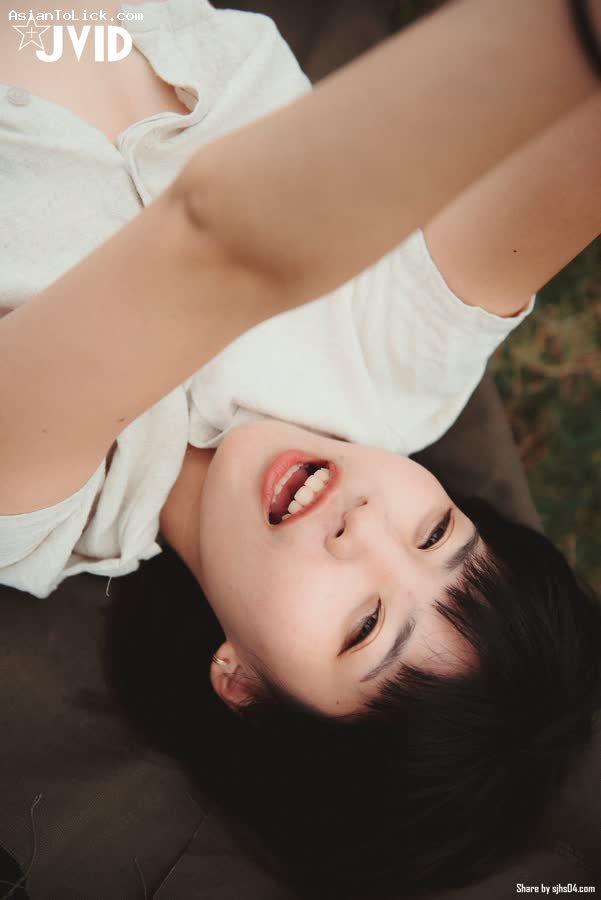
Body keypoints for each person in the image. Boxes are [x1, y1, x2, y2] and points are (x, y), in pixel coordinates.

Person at [0, 0, 600, 897]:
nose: (365, 528)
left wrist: (569, 40)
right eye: (437, 534)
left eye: (364, 627)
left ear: (242, 684)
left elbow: (210, 244)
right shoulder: (396, 378)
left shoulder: (36, 514)